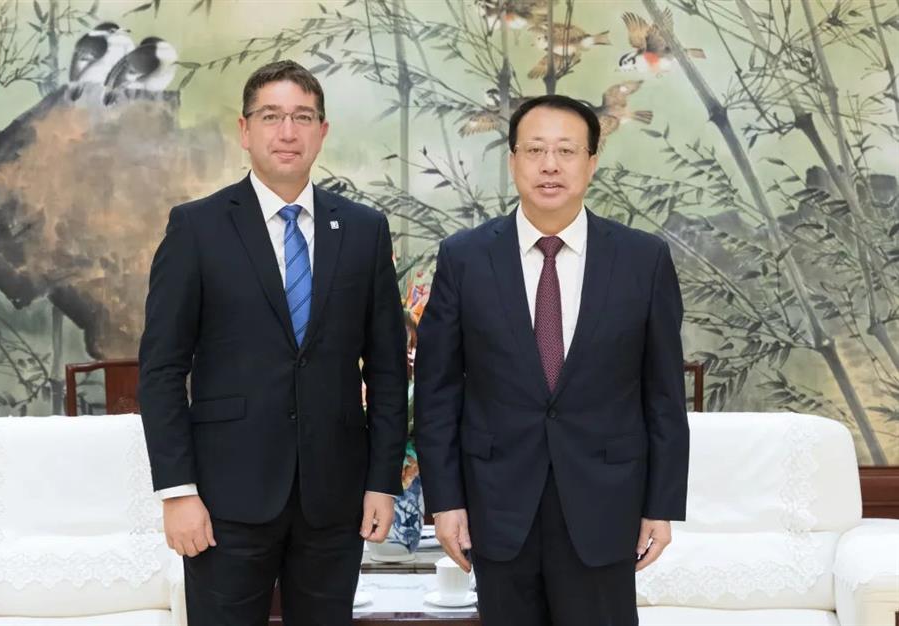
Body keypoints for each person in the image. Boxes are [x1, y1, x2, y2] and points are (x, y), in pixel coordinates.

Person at [138, 60, 408, 626]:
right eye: (271, 116)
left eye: (303, 117)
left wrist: (383, 483)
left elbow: (387, 370)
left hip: (334, 498)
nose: (288, 132)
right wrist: (177, 491)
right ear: (244, 130)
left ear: (322, 132)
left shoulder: (364, 230)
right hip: (224, 499)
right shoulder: (197, 228)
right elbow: (161, 369)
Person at [414, 94, 689, 626]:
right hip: (497, 505)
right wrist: (445, 502)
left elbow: (663, 395)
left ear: (592, 162)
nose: (550, 165)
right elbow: (437, 393)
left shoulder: (642, 259)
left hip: (606, 504)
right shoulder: (465, 257)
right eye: (535, 149)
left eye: (566, 151)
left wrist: (661, 505)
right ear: (513, 159)